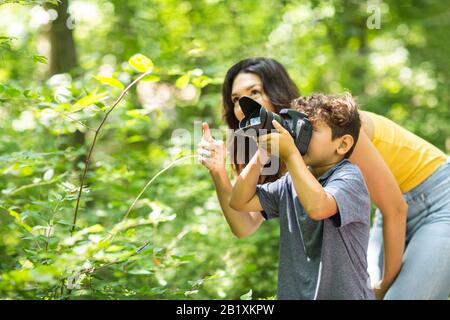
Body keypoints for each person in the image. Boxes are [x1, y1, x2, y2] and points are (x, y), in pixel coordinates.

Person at [197, 57, 450, 299]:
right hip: (391, 209)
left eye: (254, 92)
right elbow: (245, 225)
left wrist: (383, 286)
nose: (245, 105)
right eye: (236, 99)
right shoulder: (274, 150)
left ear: (276, 92)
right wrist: (219, 173)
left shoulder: (331, 132)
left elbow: (395, 207)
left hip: (439, 197)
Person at [228, 93, 374, 300]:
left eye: (310, 130)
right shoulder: (291, 182)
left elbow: (318, 207)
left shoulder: (350, 179)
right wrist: (262, 153)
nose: (297, 135)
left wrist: (291, 155)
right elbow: (239, 201)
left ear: (342, 144)